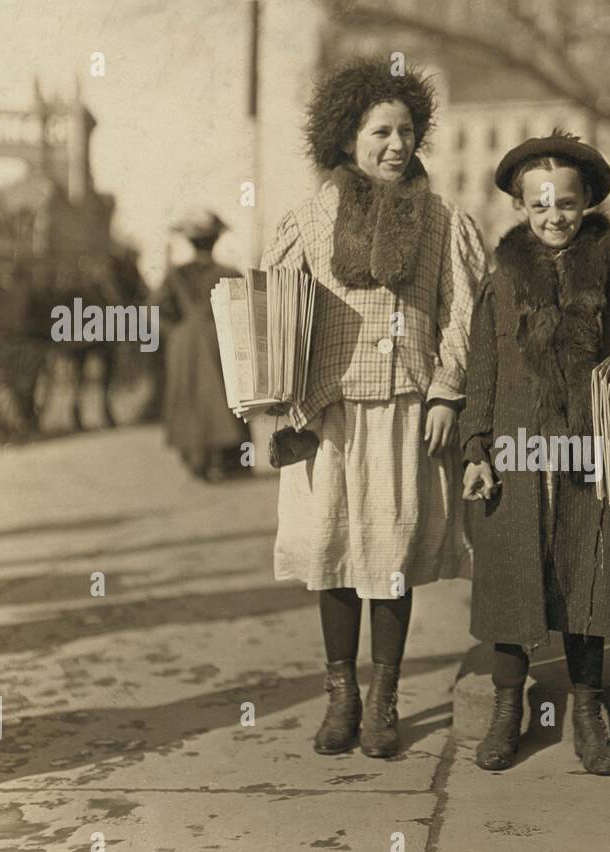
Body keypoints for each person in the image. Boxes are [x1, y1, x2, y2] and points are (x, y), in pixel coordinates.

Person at [260, 57, 487, 758]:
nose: (396, 145)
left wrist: (448, 391)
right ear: (346, 139)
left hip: (405, 411)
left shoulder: (444, 222)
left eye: (406, 132)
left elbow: (461, 314)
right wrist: (272, 399)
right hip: (325, 413)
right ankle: (341, 697)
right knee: (332, 554)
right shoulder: (305, 220)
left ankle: (385, 699)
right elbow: (272, 317)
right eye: (380, 131)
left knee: (389, 555)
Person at [459, 131, 610, 776]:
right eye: (539, 205)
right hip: (515, 452)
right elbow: (481, 374)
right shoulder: (501, 283)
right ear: (520, 207)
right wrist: (476, 448)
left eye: (565, 204)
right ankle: (508, 706)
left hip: (588, 450)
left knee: (588, 575)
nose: (554, 217)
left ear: (587, 202)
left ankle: (590, 711)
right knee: (514, 575)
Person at [156, 209, 250, 480]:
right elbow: (243, 312)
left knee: (189, 397)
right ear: (216, 241)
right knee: (223, 396)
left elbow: (156, 310)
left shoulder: (175, 276)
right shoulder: (229, 272)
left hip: (183, 343)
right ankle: (226, 460)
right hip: (218, 339)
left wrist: (174, 333)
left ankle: (195, 459)